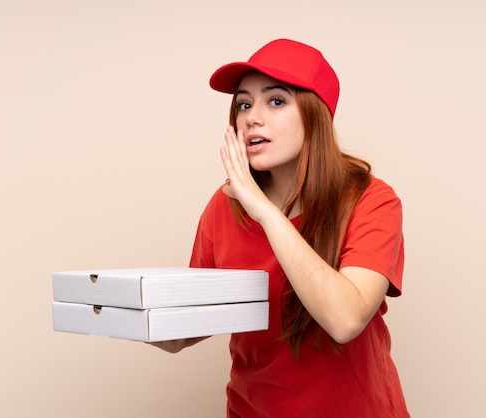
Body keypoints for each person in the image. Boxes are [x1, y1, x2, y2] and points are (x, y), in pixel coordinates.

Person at [152, 38, 409, 417]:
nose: (252, 117)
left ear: (315, 114)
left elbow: (345, 319)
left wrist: (266, 213)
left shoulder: (371, 199)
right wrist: (128, 312)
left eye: (276, 101)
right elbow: (187, 328)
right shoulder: (224, 206)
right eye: (243, 104)